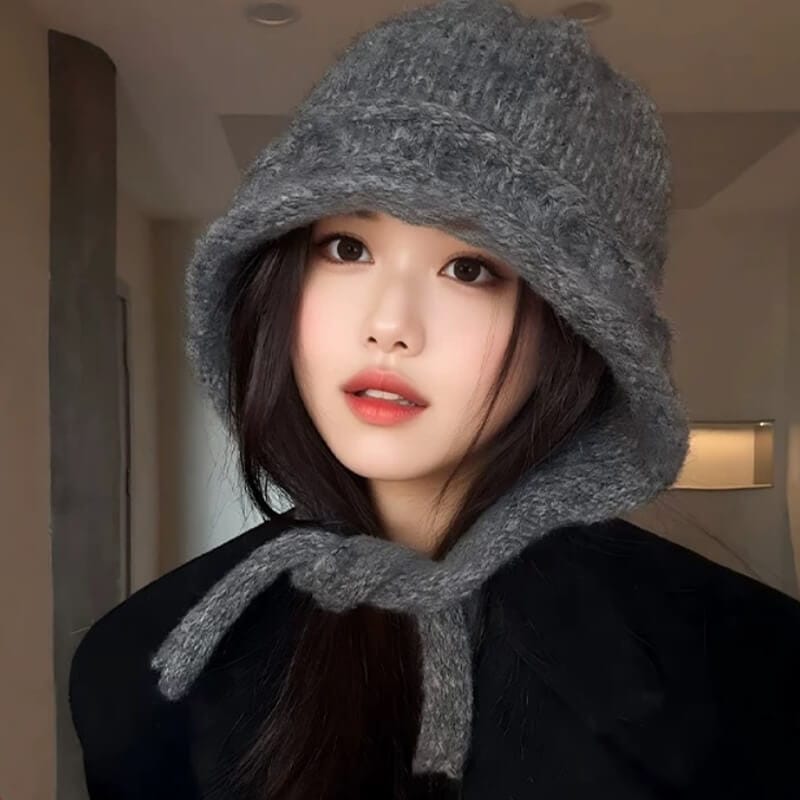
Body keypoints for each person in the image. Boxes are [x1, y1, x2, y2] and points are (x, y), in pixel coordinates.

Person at [68, 0, 800, 798]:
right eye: (347, 247)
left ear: (574, 330)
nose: (389, 325)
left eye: (470, 269)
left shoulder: (750, 675)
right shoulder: (143, 669)